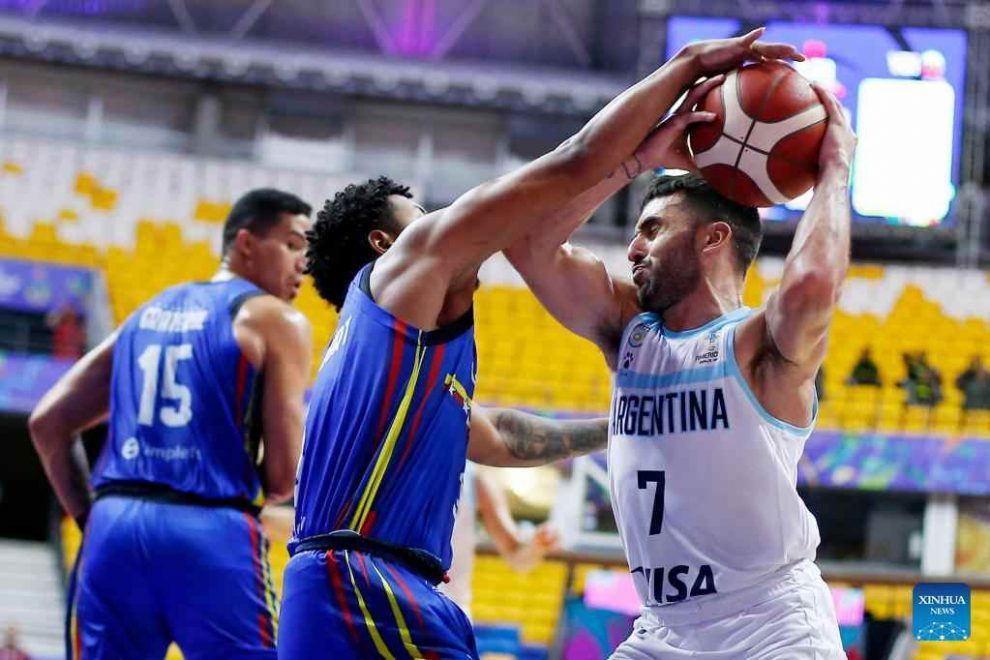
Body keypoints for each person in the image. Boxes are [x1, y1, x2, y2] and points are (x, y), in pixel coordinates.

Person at [279, 29, 794, 658]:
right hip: (365, 588)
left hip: (352, 583)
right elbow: (575, 159)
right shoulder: (404, 274)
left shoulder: (383, 360)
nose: (450, 228)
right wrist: (682, 71)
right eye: (423, 222)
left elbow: (496, 437)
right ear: (388, 247)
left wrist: (622, 426)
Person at [504, 60, 855, 658]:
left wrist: (833, 169)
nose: (633, 247)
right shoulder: (628, 332)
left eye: (652, 229)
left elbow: (814, 286)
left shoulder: (759, 346)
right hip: (662, 630)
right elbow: (528, 241)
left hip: (771, 626)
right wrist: (637, 160)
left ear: (713, 238)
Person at [28, 189, 313, 660]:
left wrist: (88, 517)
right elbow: (283, 477)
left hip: (113, 526)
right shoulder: (276, 319)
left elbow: (47, 422)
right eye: (292, 244)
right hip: (210, 528)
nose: (303, 261)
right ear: (245, 243)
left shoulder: (146, 313)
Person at [441, 462, 561, 618]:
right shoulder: (403, 460)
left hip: (449, 615)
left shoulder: (473, 474)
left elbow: (516, 554)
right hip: (403, 604)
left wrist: (536, 545)